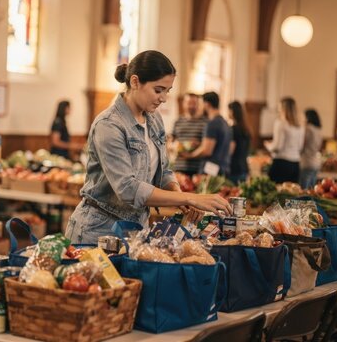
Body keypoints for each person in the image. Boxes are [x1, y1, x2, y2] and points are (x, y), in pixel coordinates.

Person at [65, 50, 232, 244]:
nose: (164, 98)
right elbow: (128, 189)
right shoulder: (109, 125)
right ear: (135, 82)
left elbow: (164, 170)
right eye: (158, 90)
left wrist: (178, 195)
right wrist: (187, 198)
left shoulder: (154, 119)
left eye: (167, 91)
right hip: (98, 229)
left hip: (136, 227)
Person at [182, 92, 232, 176]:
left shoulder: (212, 123)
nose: (199, 107)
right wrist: (200, 144)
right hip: (223, 168)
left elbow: (206, 151)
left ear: (207, 104)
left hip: (211, 171)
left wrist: (190, 155)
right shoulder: (225, 123)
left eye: (201, 104)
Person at [265, 97, 305, 184]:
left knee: (275, 193)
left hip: (281, 163)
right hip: (295, 163)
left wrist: (268, 146)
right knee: (291, 194)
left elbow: (277, 147)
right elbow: (300, 147)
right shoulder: (300, 126)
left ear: (282, 108)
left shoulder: (280, 123)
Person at [171, 93, 208, 176]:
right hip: (179, 167)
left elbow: (207, 146)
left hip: (197, 169)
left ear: (199, 105)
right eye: (188, 103)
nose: (191, 106)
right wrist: (175, 146)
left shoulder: (205, 122)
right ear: (184, 103)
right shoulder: (178, 121)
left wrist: (197, 145)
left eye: (194, 103)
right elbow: (171, 141)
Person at [228, 101, 251, 184]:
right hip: (244, 167)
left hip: (234, 168)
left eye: (229, 110)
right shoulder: (246, 129)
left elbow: (230, 151)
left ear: (233, 112)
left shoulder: (233, 129)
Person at [299, 109, 323, 189]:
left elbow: (302, 144)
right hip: (316, 161)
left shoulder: (308, 129)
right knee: (312, 189)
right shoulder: (318, 130)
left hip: (306, 161)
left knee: (303, 190)